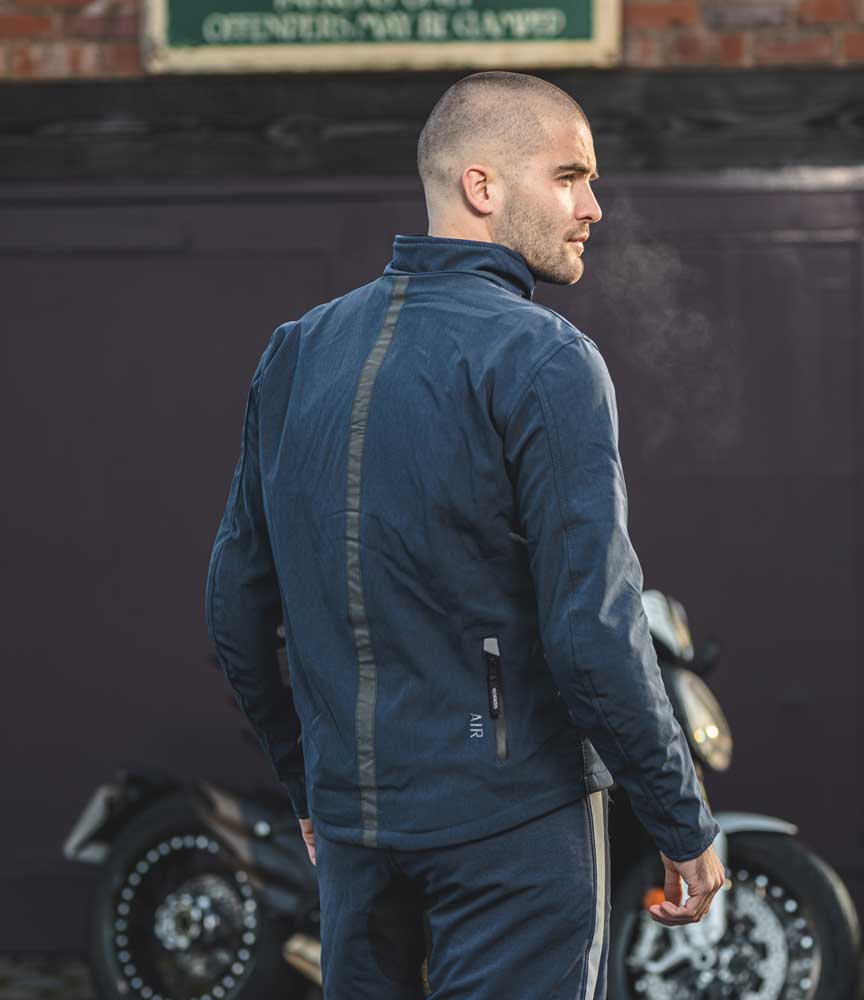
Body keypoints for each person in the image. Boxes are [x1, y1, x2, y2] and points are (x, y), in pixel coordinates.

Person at [205, 70, 725, 1000]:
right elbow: (595, 633)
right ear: (483, 188)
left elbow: (235, 610)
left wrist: (309, 787)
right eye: (570, 177)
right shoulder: (546, 358)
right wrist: (681, 823)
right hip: (515, 831)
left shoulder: (295, 351)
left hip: (358, 837)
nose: (595, 206)